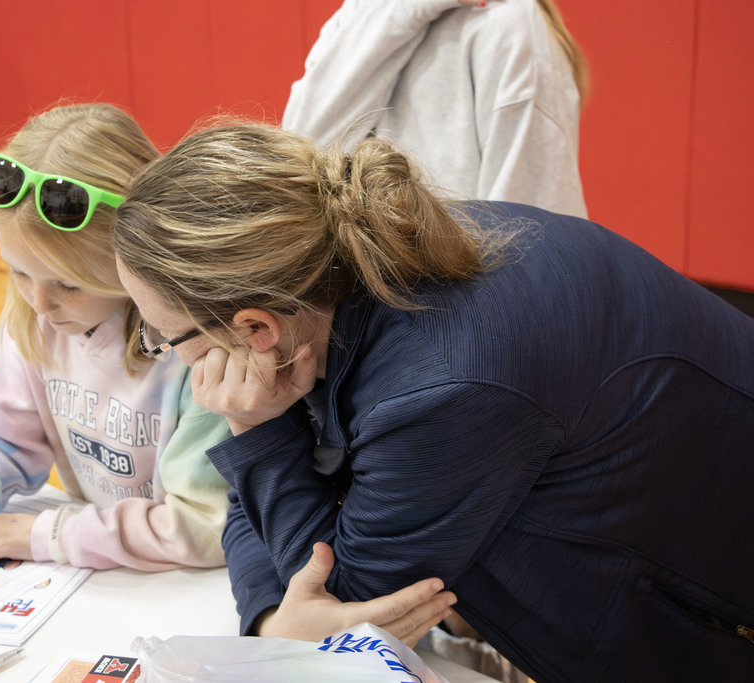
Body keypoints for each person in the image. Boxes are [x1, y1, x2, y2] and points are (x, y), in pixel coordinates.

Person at [111, 122, 754, 680]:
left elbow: (350, 613)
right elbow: (264, 528)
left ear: (256, 329)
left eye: (164, 337)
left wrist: (257, 433)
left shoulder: (437, 391)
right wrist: (276, 620)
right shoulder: (354, 266)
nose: (165, 351)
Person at [0, 102, 237, 572]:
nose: (39, 302)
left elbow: (203, 526)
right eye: (18, 273)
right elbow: (5, 448)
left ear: (135, 255)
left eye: (68, 284)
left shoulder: (195, 350)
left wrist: (54, 534)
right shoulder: (32, 324)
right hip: (116, 576)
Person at [282, 0, 589, 218]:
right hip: (368, 294)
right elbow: (302, 155)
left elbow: (533, 215)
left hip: (466, 298)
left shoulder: (508, 22)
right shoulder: (360, 14)